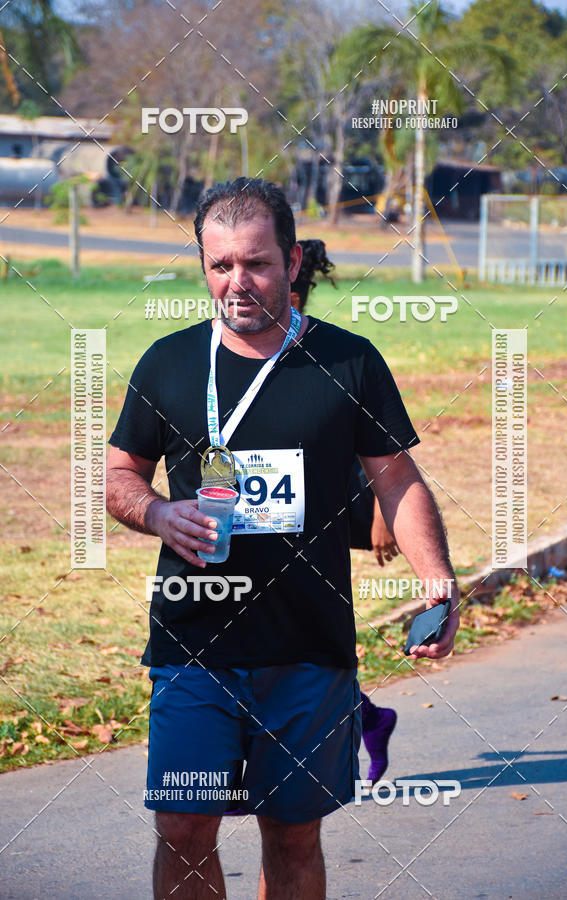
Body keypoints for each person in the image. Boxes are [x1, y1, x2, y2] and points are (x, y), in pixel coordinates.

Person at [106, 178, 459, 900]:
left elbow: (398, 480)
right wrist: (156, 513)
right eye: (221, 265)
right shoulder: (168, 364)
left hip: (308, 650)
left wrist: (437, 581)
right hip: (194, 646)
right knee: (183, 826)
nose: (238, 282)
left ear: (294, 261)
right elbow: (119, 475)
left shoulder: (348, 361)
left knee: (293, 831)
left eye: (257, 263)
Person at [291, 238, 398, 784]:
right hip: (270, 525)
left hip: (332, 511)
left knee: (313, 638)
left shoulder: (329, 352)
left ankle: (341, 749)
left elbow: (376, 448)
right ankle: (370, 720)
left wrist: (384, 512)